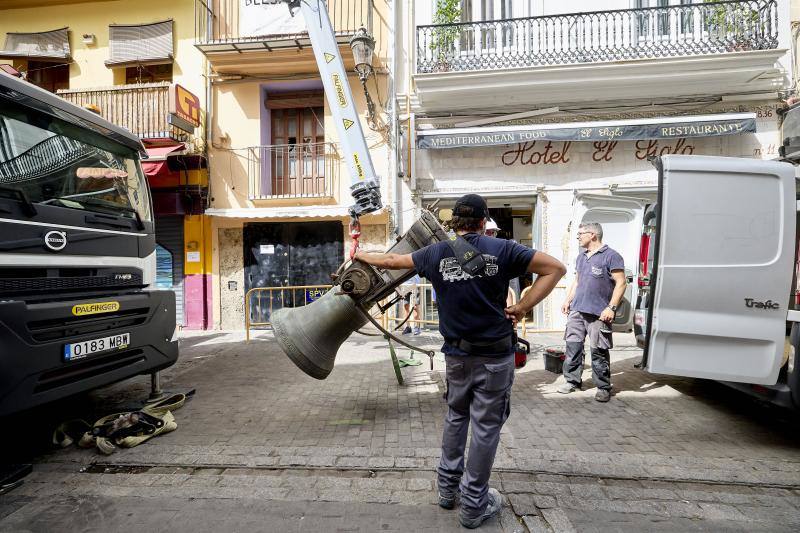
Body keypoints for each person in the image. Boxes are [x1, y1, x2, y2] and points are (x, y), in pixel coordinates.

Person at [355, 194, 566, 529]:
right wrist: (523, 306)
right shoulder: (504, 250)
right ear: (484, 222)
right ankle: (473, 505)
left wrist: (359, 254)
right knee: (485, 428)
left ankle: (447, 490)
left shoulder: (436, 252)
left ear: (455, 222)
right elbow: (555, 269)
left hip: (456, 356)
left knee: (456, 418)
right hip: (495, 357)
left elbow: (393, 262)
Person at [559, 222, 627, 402]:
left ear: (593, 235)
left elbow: (621, 283)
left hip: (598, 313)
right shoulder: (582, 257)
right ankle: (572, 381)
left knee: (598, 350)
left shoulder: (612, 256)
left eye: (580, 234)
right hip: (577, 310)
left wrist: (611, 307)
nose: (578, 237)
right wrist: (568, 300)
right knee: (572, 346)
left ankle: (603, 387)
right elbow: (577, 281)